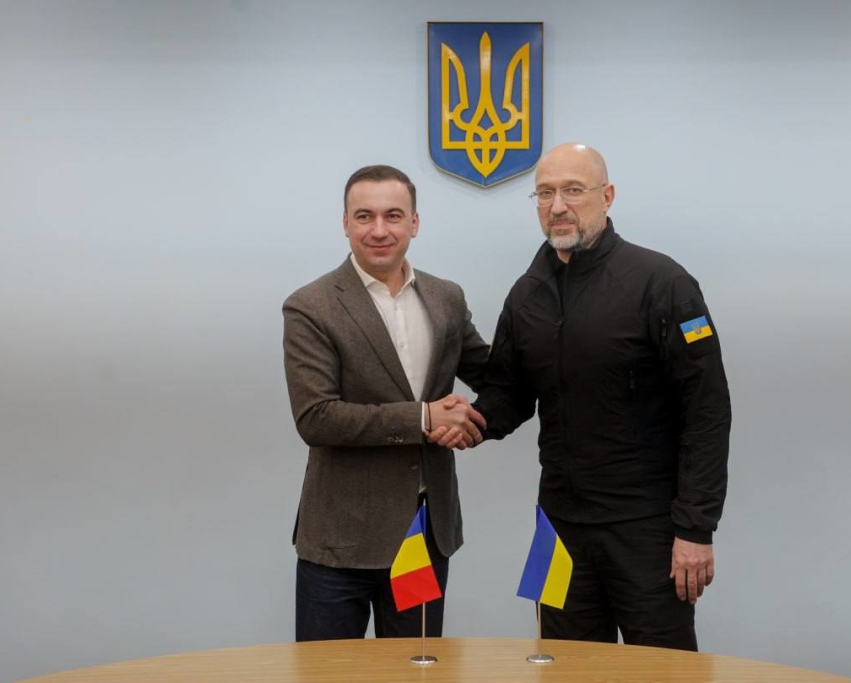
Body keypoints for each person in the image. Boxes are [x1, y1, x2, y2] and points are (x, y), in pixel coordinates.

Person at [463, 142, 731, 650]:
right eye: (545, 193)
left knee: (662, 672)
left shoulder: (663, 283)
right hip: (558, 527)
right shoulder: (526, 294)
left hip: (647, 528)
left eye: (573, 190)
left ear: (607, 196)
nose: (557, 206)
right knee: (562, 667)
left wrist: (696, 528)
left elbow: (707, 412)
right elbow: (509, 395)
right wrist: (466, 421)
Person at [282, 164, 489, 641]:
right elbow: (317, 418)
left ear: (414, 223)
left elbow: (492, 373)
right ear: (345, 223)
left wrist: (475, 420)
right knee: (329, 674)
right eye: (365, 216)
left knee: (416, 669)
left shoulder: (446, 297)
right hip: (339, 543)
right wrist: (425, 417)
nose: (379, 230)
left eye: (393, 216)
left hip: (422, 535)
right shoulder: (310, 306)